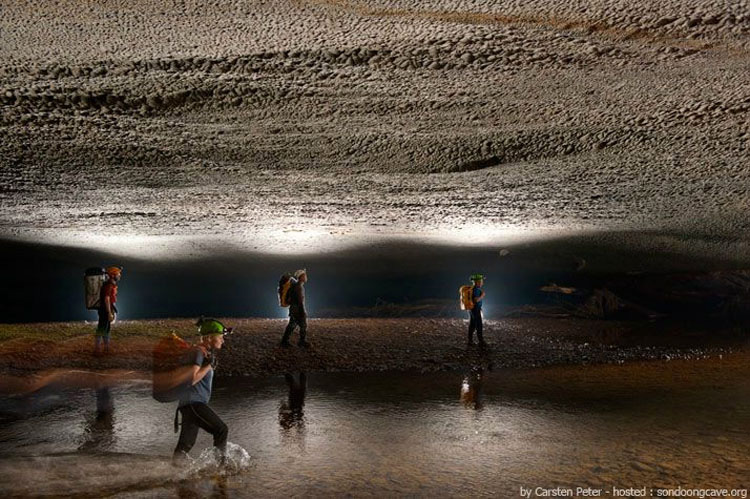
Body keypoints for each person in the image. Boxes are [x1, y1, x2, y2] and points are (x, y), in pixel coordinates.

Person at [173, 318, 231, 465]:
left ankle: (172, 472)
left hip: (189, 404)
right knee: (221, 430)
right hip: (193, 403)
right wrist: (208, 367)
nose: (223, 340)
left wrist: (208, 365)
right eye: (220, 337)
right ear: (209, 337)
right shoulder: (197, 353)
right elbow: (190, 380)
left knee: (185, 446)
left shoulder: (202, 353)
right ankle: (220, 469)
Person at [95, 266, 122, 355]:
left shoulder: (110, 284)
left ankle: (106, 348)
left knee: (106, 328)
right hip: (105, 310)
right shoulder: (109, 285)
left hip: (106, 309)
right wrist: (109, 312)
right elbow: (106, 298)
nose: (119, 276)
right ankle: (97, 349)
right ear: (113, 275)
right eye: (118, 274)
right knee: (102, 328)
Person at [281, 269, 310, 348]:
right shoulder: (298, 287)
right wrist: (303, 311)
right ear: (301, 277)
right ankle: (301, 342)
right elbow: (300, 301)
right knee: (301, 325)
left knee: (293, 325)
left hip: (293, 309)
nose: (306, 277)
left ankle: (285, 341)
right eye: (304, 275)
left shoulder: (296, 286)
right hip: (297, 310)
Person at [467, 273, 486, 348]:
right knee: (479, 325)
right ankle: (481, 341)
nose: (482, 282)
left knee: (472, 324)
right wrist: (482, 295)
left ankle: (470, 341)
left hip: (472, 309)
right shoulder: (476, 289)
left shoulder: (473, 288)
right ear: (478, 282)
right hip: (475, 309)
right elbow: (476, 300)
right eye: (481, 281)